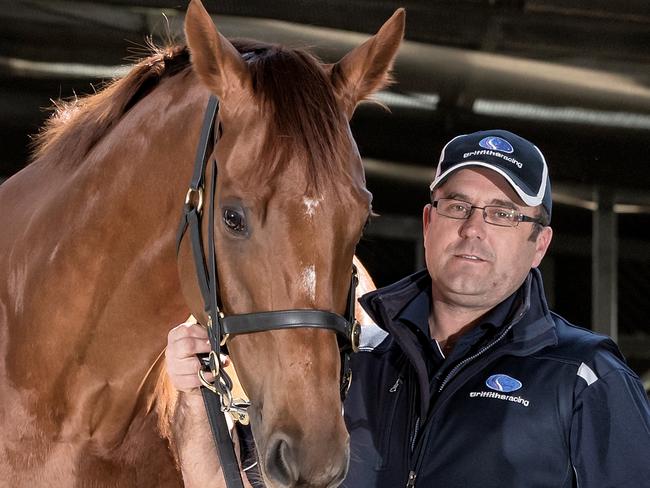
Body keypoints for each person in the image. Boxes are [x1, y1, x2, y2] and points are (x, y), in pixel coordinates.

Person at [166, 129, 650, 487]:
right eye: (457, 206)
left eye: (503, 213)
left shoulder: (584, 378)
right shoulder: (354, 361)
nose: (473, 228)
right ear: (428, 222)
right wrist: (192, 396)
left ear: (538, 243)